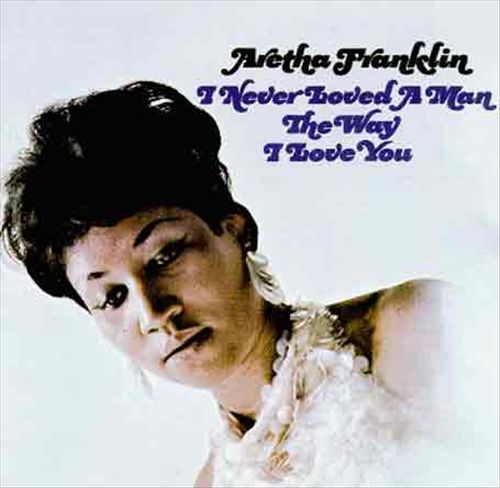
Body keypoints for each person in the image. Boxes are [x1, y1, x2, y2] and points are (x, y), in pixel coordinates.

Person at [0, 81, 478, 487]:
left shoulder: (414, 327)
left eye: (165, 255)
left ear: (236, 229)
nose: (153, 312)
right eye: (113, 297)